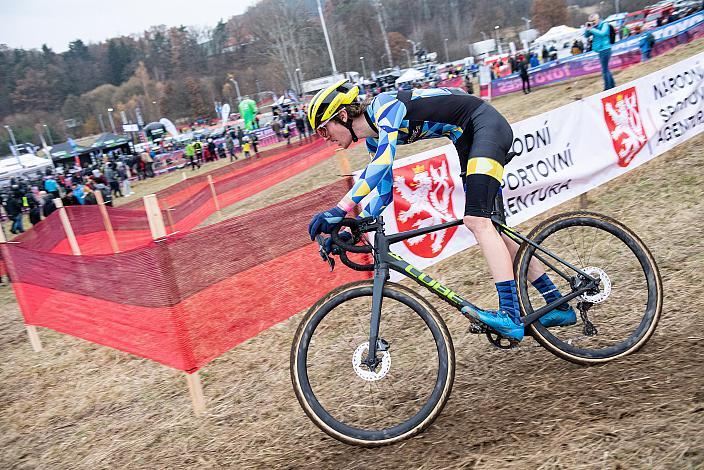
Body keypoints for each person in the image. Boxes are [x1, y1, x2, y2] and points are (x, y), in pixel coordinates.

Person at [306, 81, 577, 342]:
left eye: (323, 129)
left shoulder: (384, 106)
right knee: (491, 228)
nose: (324, 137)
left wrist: (339, 209)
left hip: (485, 126)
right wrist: (354, 227)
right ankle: (556, 303)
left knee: (477, 221)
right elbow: (385, 191)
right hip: (467, 139)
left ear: (342, 115)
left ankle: (509, 314)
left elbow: (382, 162)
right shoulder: (373, 140)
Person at [584, 13, 616, 90]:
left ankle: (607, 88)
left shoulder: (604, 24)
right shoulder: (593, 27)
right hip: (601, 50)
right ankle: (612, 85)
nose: (593, 22)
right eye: (591, 21)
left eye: (594, 20)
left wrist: (592, 29)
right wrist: (587, 29)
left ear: (598, 19)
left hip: (605, 49)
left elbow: (602, 34)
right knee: (606, 69)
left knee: (604, 70)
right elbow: (586, 36)